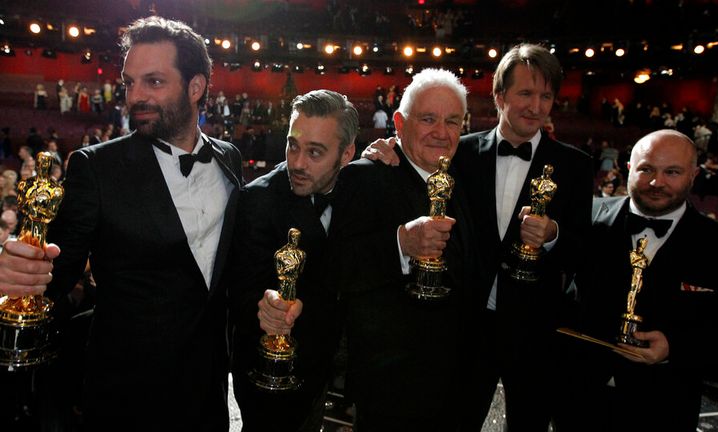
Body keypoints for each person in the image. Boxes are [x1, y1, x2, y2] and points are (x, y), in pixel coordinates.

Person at [0, 16, 243, 430]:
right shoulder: (95, 167)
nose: (136, 97)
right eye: (130, 83)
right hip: (125, 395)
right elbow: (56, 271)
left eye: (154, 82)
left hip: (208, 389)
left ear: (196, 87)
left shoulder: (229, 159)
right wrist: (18, 272)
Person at [361, 45, 593, 431]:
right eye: (525, 93)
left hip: (535, 333)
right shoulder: (458, 151)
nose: (536, 106)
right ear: (500, 96)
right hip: (464, 328)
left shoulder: (575, 166)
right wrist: (383, 149)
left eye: (546, 96)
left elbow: (583, 253)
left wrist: (554, 236)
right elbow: (411, 165)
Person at [560, 129, 718, 432]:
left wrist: (675, 347)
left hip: (664, 406)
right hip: (576, 397)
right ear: (629, 168)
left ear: (694, 175)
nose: (657, 182)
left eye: (672, 172)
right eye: (646, 169)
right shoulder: (583, 216)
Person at [336, 68, 477, 430]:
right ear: (399, 122)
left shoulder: (466, 180)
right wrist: (401, 243)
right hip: (391, 390)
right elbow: (337, 267)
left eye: (452, 121)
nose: (441, 133)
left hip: (459, 384)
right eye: (428, 119)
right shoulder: (365, 176)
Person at [228, 89, 357, 432]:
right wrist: (265, 306)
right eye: (293, 145)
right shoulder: (257, 200)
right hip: (268, 376)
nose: (297, 163)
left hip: (331, 369)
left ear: (347, 154)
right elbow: (240, 293)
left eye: (315, 152)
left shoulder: (362, 189)